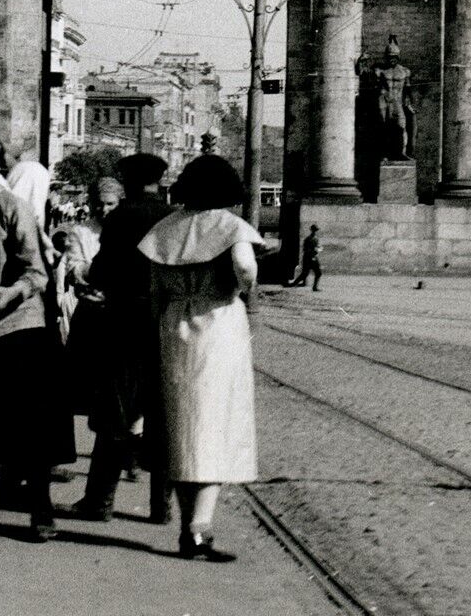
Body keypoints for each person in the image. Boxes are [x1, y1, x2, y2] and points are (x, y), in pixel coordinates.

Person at [0, 125, 74, 541]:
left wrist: (10, 294)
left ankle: (41, 512)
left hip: (18, 328)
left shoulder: (10, 206)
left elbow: (36, 271)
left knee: (29, 424)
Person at [138, 154, 261, 562]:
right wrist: (243, 289)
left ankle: (186, 526)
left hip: (173, 324)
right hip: (218, 322)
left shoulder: (166, 229)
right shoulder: (229, 227)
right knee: (213, 425)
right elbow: (244, 266)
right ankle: (198, 530)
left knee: (179, 424)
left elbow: (154, 288)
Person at [70, 153, 172, 524]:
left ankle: (99, 502)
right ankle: (162, 507)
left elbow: (101, 271)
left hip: (122, 323)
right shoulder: (171, 216)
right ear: (159, 180)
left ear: (126, 181)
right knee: (161, 416)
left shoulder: (120, 218)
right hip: (163, 322)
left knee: (115, 414)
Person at [289, 224, 323, 290]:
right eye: (314, 230)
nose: (315, 232)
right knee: (306, 274)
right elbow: (305, 249)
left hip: (313, 257)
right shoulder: (308, 239)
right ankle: (294, 284)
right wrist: (313, 252)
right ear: (312, 230)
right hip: (309, 258)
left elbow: (318, 247)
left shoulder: (315, 238)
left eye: (316, 230)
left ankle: (314, 287)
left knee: (317, 273)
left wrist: (318, 250)